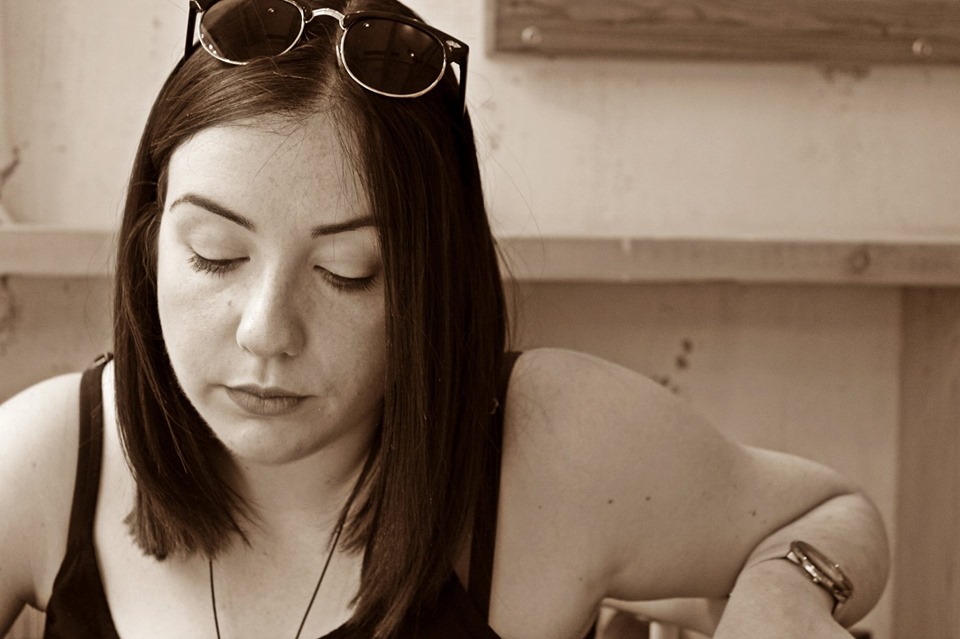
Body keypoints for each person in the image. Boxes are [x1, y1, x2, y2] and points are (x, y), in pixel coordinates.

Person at [0, 0, 889, 638]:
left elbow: (832, 510)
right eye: (215, 255)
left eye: (348, 272)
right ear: (150, 242)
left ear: (431, 282)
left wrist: (784, 587)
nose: (267, 330)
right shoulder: (54, 457)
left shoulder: (550, 446)